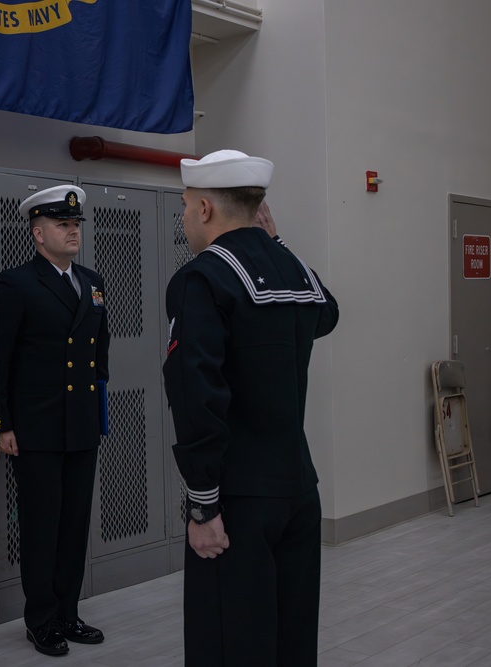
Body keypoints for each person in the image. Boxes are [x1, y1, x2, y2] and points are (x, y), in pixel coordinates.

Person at [162, 150, 339, 665]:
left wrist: (203, 505)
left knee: (231, 644)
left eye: (186, 205)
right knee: (290, 643)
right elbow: (326, 313)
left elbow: (196, 395)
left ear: (205, 210)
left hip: (237, 500)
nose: (184, 217)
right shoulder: (292, 268)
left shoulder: (202, 278)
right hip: (298, 491)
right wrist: (275, 242)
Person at [0, 185, 110, 657]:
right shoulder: (17, 284)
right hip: (36, 429)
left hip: (80, 424)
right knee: (42, 526)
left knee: (74, 524)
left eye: (76, 224)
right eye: (63, 225)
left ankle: (68, 611)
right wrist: (1, 425)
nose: (72, 231)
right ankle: (40, 618)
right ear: (38, 233)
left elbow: (99, 356)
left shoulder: (92, 281)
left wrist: (99, 415)